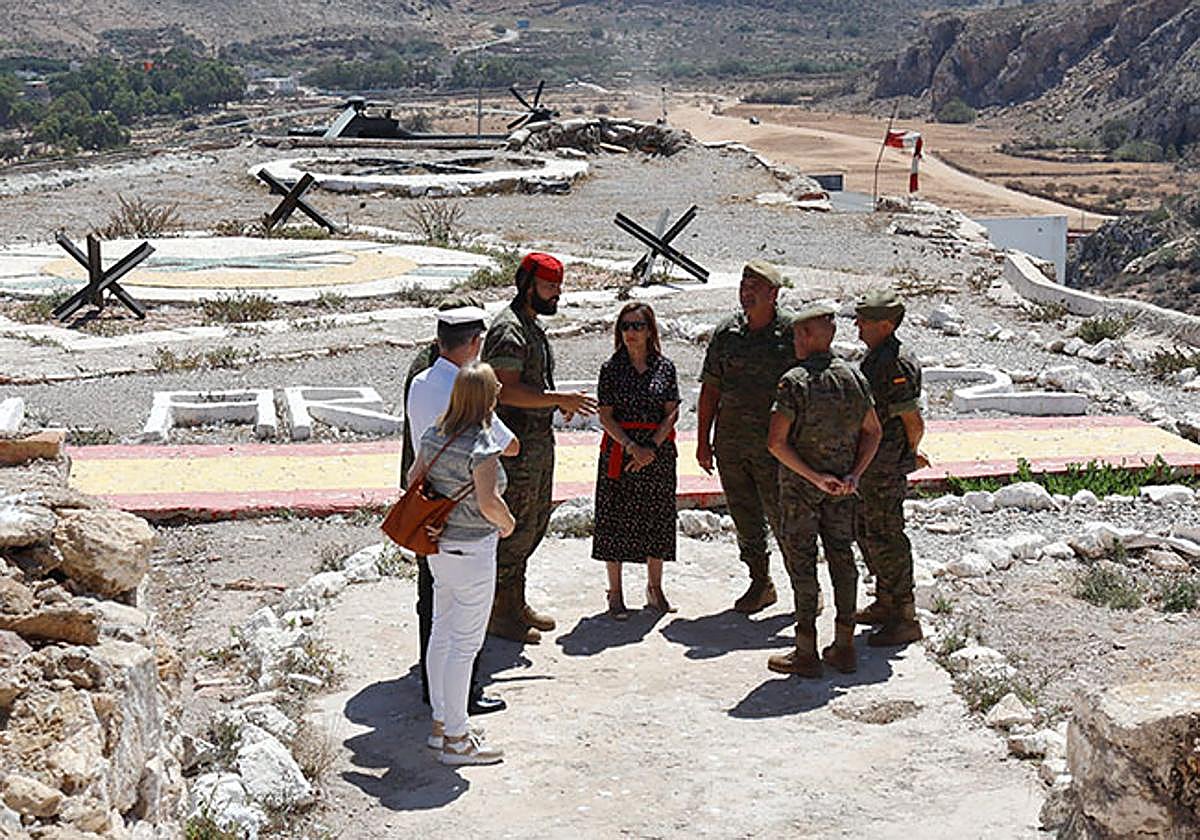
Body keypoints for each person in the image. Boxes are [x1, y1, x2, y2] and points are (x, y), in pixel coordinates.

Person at [404, 300, 518, 716]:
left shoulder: (419, 382)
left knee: (434, 611)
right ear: (474, 343)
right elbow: (509, 445)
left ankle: (436, 700)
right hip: (465, 518)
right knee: (464, 632)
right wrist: (506, 523)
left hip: (427, 509)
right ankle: (459, 706)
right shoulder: (466, 390)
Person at [482, 252, 597, 643]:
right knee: (513, 527)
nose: (556, 295)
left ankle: (514, 602)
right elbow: (505, 390)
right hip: (515, 449)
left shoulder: (529, 326)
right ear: (527, 284)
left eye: (558, 288)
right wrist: (556, 399)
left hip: (535, 444)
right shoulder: (509, 330)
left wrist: (553, 403)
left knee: (532, 525)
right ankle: (499, 611)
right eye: (549, 287)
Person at [765, 302, 882, 677]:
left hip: (802, 489)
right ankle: (845, 645)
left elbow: (776, 443)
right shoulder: (854, 378)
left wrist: (813, 476)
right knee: (842, 559)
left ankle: (805, 650)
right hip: (842, 489)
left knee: (803, 564)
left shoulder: (794, 382)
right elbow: (873, 432)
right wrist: (854, 476)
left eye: (798, 333)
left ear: (807, 335)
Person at [697, 260, 798, 614]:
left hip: (777, 448)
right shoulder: (727, 332)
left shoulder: (791, 334)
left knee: (784, 518)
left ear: (773, 293)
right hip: (731, 443)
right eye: (743, 286)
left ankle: (803, 591)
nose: (745, 292)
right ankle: (760, 582)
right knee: (745, 517)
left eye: (754, 287)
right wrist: (702, 441)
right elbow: (710, 388)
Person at [592, 302, 680, 618]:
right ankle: (615, 593)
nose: (631, 332)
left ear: (650, 330)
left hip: (657, 452)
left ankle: (655, 588)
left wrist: (651, 448)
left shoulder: (665, 368)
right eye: (626, 326)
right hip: (621, 448)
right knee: (614, 519)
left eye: (637, 325)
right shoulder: (610, 369)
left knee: (657, 518)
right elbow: (605, 416)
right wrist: (632, 447)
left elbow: (672, 411)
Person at [853, 288, 928, 646]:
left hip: (885, 465)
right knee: (867, 531)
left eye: (864, 321)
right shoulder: (878, 357)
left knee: (887, 536)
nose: (857, 326)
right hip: (871, 465)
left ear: (886, 325)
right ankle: (885, 600)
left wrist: (912, 454)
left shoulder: (894, 363)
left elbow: (912, 418)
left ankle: (904, 615)